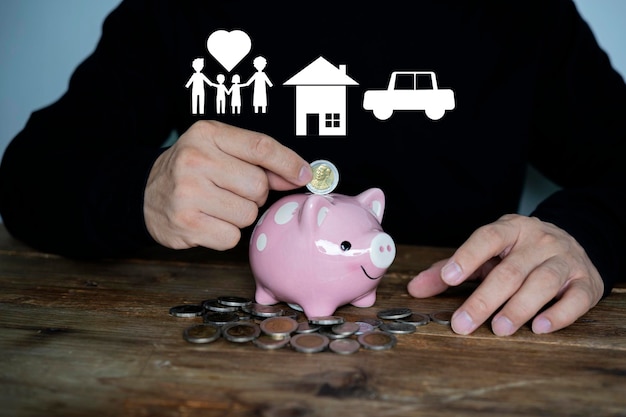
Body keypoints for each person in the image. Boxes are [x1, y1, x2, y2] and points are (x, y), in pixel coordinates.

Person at [0, 0, 624, 338]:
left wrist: (589, 231)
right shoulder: (180, 9)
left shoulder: (522, 15)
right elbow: (29, 175)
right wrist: (140, 187)